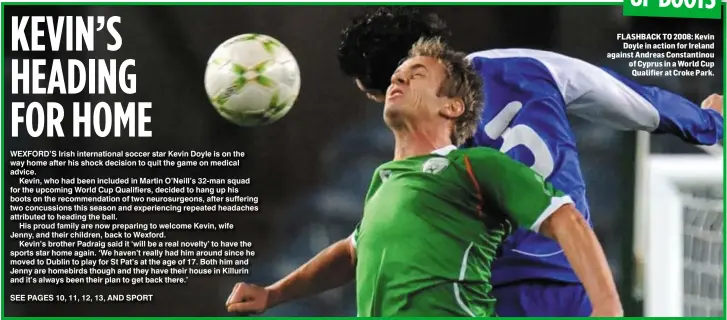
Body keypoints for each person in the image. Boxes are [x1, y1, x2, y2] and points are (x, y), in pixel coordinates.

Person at [331, 7, 724, 316]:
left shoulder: (419, 152)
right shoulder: (526, 64)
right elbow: (633, 102)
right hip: (574, 281)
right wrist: (709, 122)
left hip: (489, 296)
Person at [227, 38, 623, 317]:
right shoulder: (384, 178)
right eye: (397, 75)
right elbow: (353, 250)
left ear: (452, 106)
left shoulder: (476, 165)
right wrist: (273, 293)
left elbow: (566, 218)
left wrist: (606, 307)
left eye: (416, 74)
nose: (398, 80)